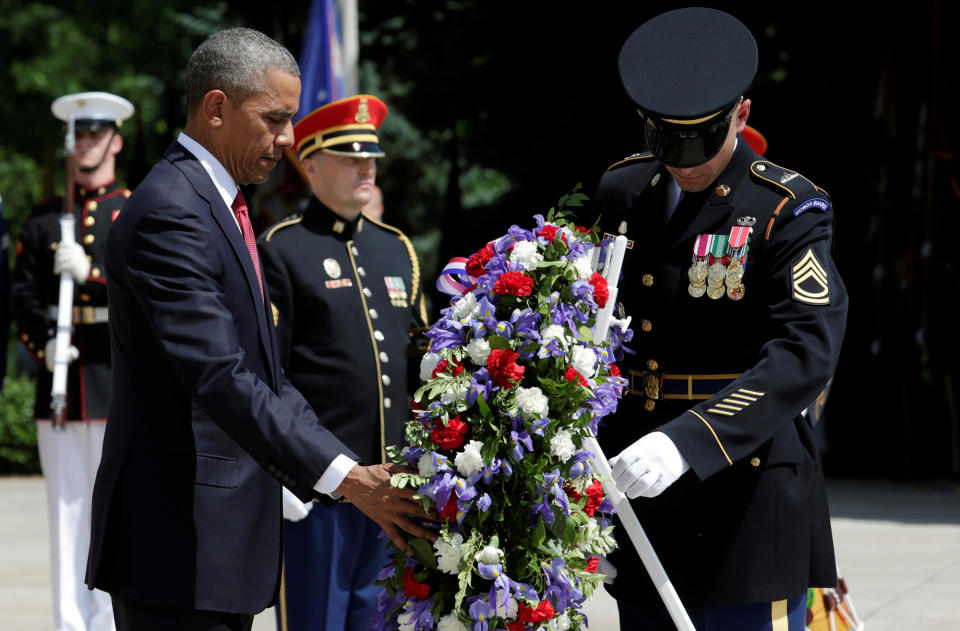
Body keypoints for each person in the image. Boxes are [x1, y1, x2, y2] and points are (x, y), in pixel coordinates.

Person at [84, 28, 434, 631]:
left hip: (212, 544)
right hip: (176, 542)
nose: (288, 139)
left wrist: (348, 469)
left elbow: (265, 370)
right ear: (217, 108)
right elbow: (220, 374)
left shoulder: (216, 202)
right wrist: (347, 476)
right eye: (274, 119)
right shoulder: (171, 210)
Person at [591, 8, 847, 630]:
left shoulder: (786, 207)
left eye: (701, 140)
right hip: (641, 484)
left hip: (746, 489)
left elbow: (805, 349)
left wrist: (688, 441)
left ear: (742, 114)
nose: (685, 161)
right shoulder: (624, 192)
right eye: (668, 141)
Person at [257, 94, 427, 631]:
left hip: (396, 493)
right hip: (320, 490)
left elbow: (423, 359)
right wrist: (288, 476)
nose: (366, 167)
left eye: (370, 157)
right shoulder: (281, 248)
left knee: (381, 622)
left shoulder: (396, 248)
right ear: (310, 165)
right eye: (350, 157)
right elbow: (268, 374)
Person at [10, 91, 134, 631]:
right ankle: (69, 623)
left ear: (116, 140)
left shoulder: (133, 211)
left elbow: (148, 294)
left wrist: (95, 276)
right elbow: (20, 298)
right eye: (77, 136)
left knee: (113, 514)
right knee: (65, 514)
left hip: (116, 379)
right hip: (62, 383)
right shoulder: (42, 221)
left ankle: (109, 621)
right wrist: (44, 346)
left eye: (95, 134)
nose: (84, 145)